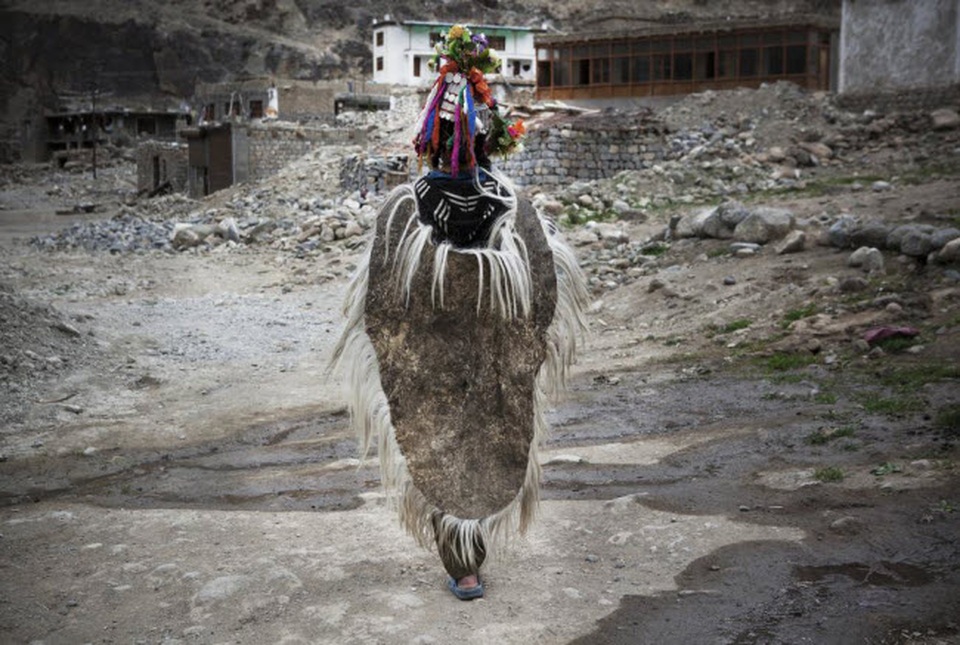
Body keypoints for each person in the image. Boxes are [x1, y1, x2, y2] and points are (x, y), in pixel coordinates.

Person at [333, 24, 588, 601]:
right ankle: (470, 560)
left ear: (433, 133)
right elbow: (540, 285)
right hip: (492, 356)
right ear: (487, 137)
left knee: (435, 441)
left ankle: (463, 565)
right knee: (486, 439)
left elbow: (383, 300)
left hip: (433, 359)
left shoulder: (408, 207)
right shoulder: (508, 203)